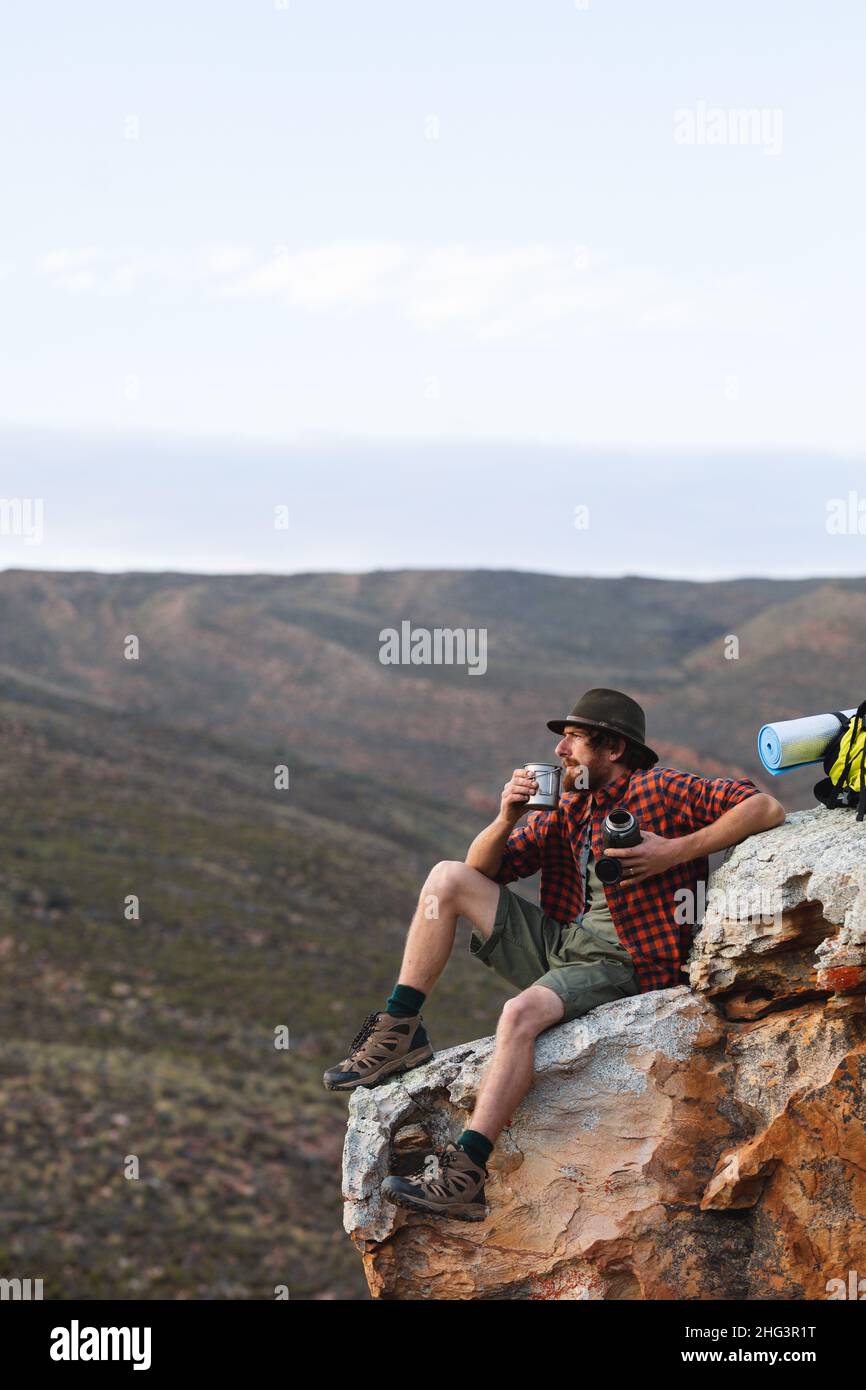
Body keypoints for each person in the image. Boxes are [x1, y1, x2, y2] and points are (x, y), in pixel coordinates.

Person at [323, 687, 786, 1222]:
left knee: (518, 1014)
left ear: (613, 749)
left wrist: (672, 851)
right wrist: (506, 817)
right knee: (446, 877)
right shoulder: (572, 807)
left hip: (628, 962)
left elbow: (765, 806)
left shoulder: (658, 788)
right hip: (566, 946)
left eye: (573, 739)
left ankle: (465, 1172)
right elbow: (483, 872)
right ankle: (400, 1028)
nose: (561, 751)